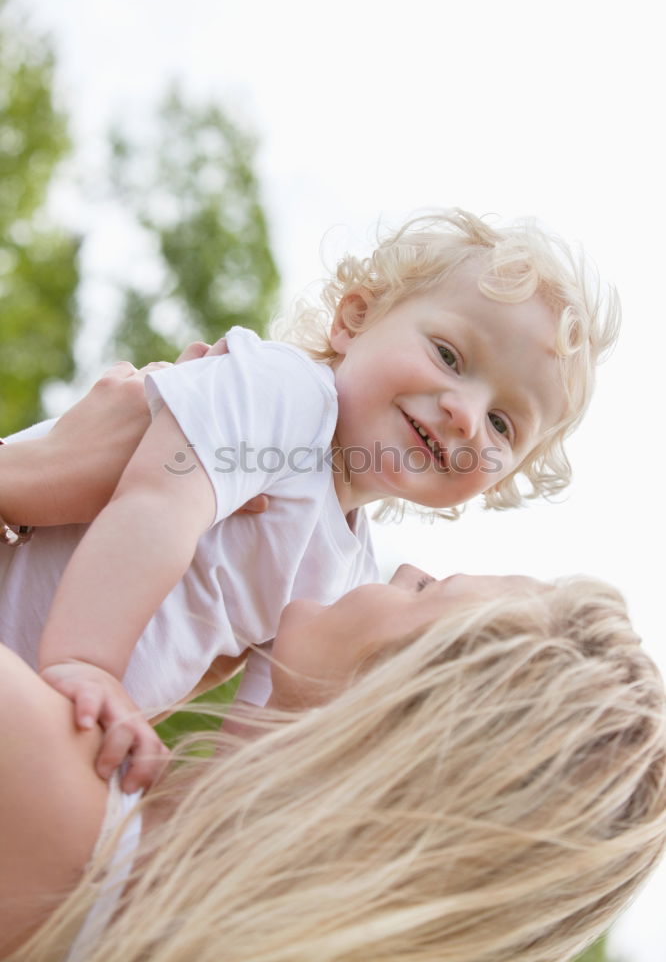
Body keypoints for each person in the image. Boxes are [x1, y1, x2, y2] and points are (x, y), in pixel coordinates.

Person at [1, 208, 620, 791]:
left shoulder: (350, 582)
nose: (465, 414)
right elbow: (156, 504)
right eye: (450, 356)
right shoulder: (288, 396)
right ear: (354, 319)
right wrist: (88, 663)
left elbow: (265, 728)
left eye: (504, 425)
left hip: (59, 718)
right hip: (61, 662)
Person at [2, 567, 665, 962]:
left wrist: (36, 474)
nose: (405, 571)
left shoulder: (52, 785)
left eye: (431, 588)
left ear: (392, 713)